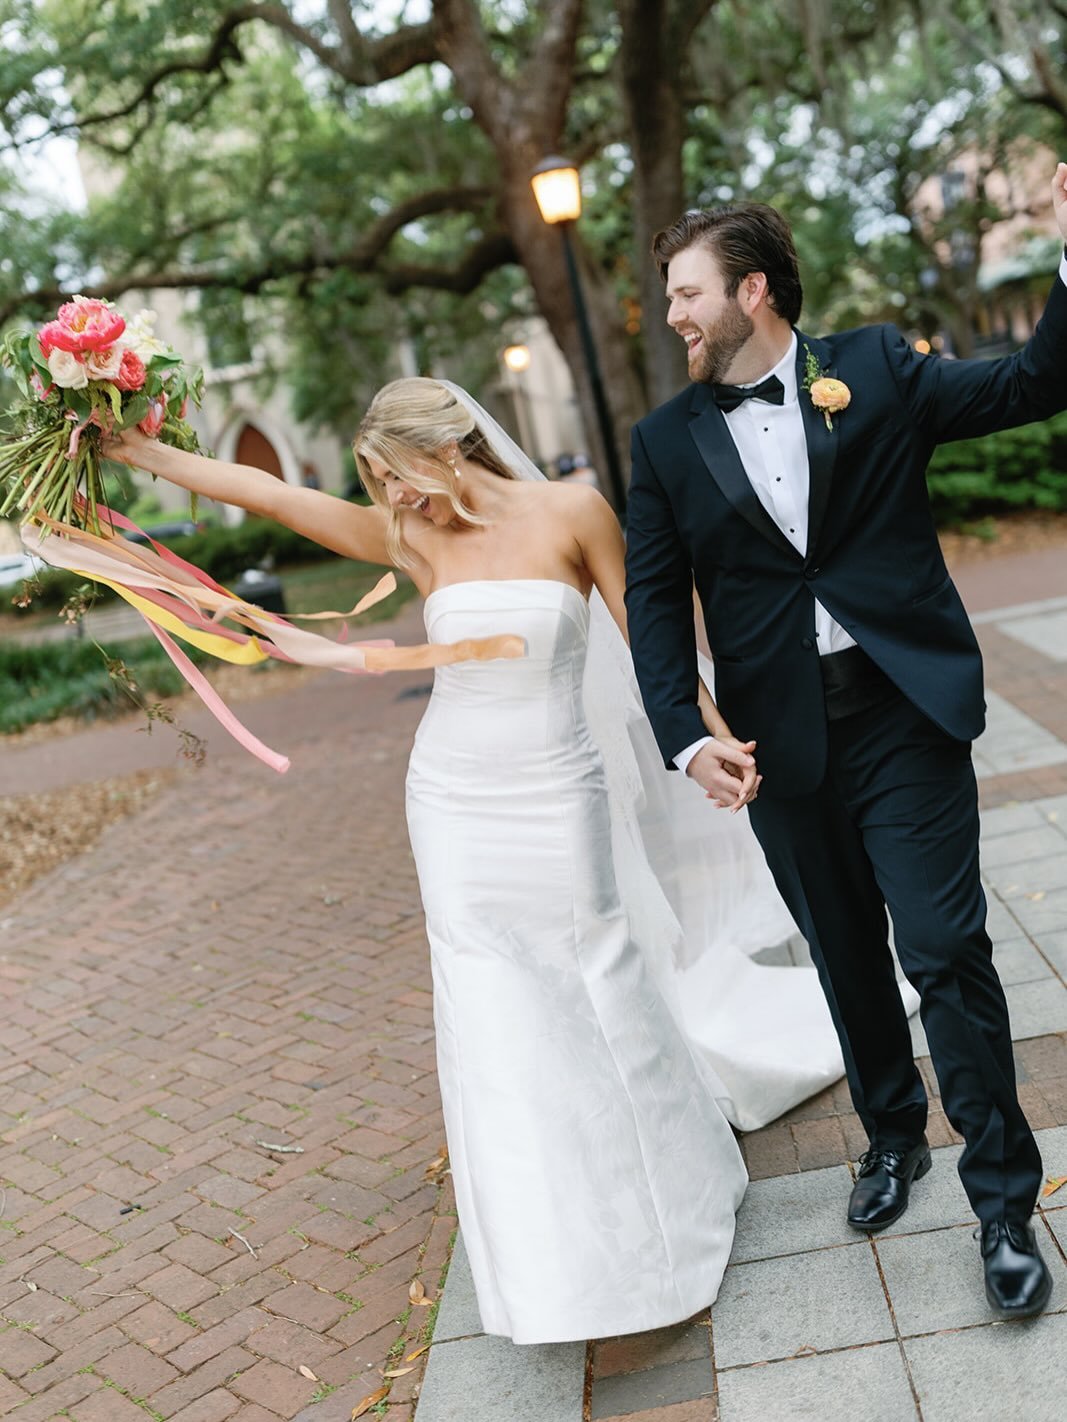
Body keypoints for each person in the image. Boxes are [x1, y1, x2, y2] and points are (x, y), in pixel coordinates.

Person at [105, 378, 852, 1344]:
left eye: (399, 475)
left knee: (593, 979)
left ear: (452, 443)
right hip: (453, 800)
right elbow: (273, 498)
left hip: (556, 794)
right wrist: (134, 456)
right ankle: (542, 1264)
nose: (395, 499)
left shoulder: (572, 512)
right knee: (491, 1008)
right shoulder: (409, 538)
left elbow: (655, 647)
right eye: (377, 483)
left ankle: (672, 1199)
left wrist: (701, 742)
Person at [624, 163, 1067, 1320]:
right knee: (843, 953)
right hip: (777, 746)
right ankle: (888, 1136)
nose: (670, 315)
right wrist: (685, 738)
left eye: (684, 293)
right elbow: (655, 603)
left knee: (941, 949)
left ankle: (1003, 1207)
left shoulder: (872, 367)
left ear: (751, 291)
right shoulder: (665, 441)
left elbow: (1035, 380)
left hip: (902, 716)